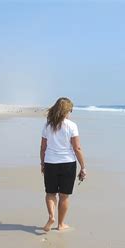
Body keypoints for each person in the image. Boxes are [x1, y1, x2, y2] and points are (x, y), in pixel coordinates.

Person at [40, 97, 86, 232]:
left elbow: (43, 147)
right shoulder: (72, 126)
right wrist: (83, 167)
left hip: (50, 163)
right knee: (64, 195)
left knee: (50, 193)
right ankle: (60, 224)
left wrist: (42, 163)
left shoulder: (47, 125)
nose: (70, 113)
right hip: (68, 164)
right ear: (66, 111)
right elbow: (77, 148)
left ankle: (51, 216)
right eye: (70, 110)